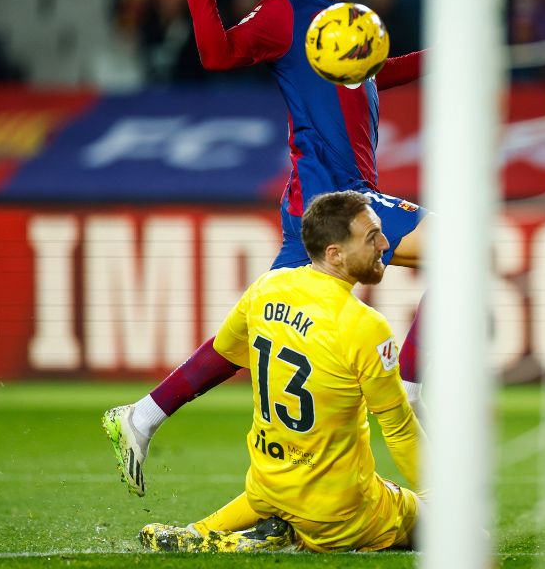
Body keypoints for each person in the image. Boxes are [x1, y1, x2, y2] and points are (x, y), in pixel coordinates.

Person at [103, 0, 431, 499]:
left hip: (319, 208)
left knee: (255, 328)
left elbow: (373, 73)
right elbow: (217, 53)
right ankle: (409, 386)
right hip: (333, 201)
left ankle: (143, 415)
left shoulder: (347, 24)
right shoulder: (285, 13)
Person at [138, 191, 424, 553]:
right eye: (372, 238)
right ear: (335, 254)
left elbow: (224, 352)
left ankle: (201, 532)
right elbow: (399, 430)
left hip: (270, 485)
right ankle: (275, 538)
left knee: (281, 491)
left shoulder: (265, 288)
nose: (386, 244)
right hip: (339, 513)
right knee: (425, 514)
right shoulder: (366, 326)